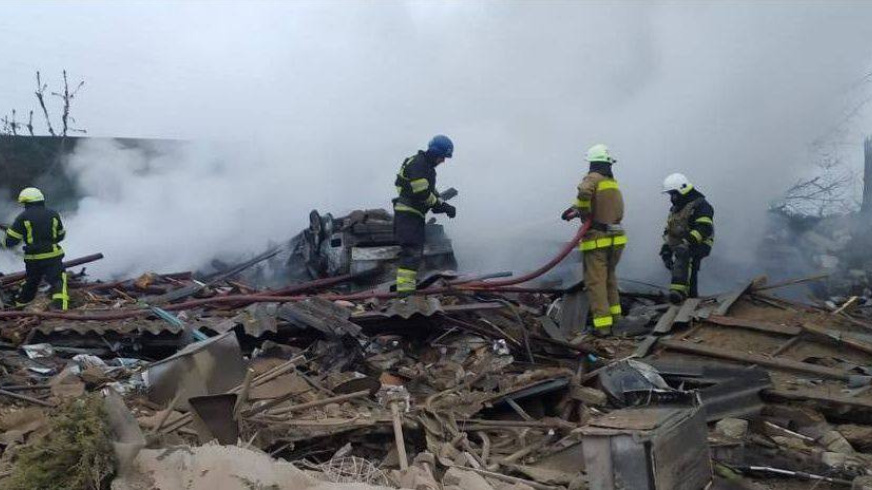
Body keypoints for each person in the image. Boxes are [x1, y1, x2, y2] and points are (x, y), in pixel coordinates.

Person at [562, 144, 626, 335]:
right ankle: (617, 321)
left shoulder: (593, 178)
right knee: (610, 279)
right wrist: (575, 209)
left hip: (598, 239)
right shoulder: (610, 182)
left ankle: (603, 326)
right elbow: (601, 203)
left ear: (593, 163)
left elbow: (584, 192)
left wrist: (582, 211)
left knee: (595, 282)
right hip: (616, 238)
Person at [393, 135, 456, 295]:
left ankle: (407, 292)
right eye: (442, 157)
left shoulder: (424, 166)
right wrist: (443, 206)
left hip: (413, 215)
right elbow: (422, 193)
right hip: (408, 215)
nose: (443, 161)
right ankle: (405, 295)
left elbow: (429, 192)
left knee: (414, 253)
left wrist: (441, 204)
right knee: (411, 253)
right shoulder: (419, 164)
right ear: (435, 153)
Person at [2, 187, 69, 310]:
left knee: (31, 282)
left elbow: (11, 241)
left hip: (33, 259)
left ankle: (19, 305)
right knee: (58, 280)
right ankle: (60, 307)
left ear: (27, 202)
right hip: (52, 256)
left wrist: (5, 243)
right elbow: (60, 235)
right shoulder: (53, 214)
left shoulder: (22, 217)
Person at [659, 173, 714, 304]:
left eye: (673, 194)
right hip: (681, 243)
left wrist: (688, 241)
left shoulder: (701, 205)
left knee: (685, 254)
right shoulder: (675, 209)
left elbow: (705, 228)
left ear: (682, 189)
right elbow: (669, 231)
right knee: (680, 258)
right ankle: (687, 294)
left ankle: (679, 293)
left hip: (701, 242)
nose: (672, 198)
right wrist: (666, 249)